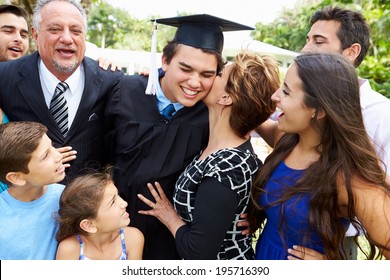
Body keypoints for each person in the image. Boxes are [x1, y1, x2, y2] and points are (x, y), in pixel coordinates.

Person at [106, 14, 253, 259]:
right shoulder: (124, 90)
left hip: (171, 242)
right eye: (185, 69)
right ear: (164, 61)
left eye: (207, 74)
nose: (194, 82)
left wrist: (253, 210)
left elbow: (243, 160)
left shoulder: (211, 115)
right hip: (114, 229)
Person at [137, 51, 280, 260]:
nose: (210, 76)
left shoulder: (229, 167)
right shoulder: (218, 147)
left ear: (226, 97)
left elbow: (199, 252)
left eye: (219, 74)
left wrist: (169, 216)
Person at [248, 53, 390, 260]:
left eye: (286, 92)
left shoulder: (351, 176)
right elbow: (253, 120)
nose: (275, 96)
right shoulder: (286, 141)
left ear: (319, 109)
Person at [0, 0, 123, 184]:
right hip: (28, 203)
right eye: (55, 29)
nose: (67, 38)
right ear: (35, 34)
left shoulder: (112, 81)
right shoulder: (4, 77)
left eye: (76, 31)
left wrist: (159, 74)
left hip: (87, 206)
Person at [0, 121, 66, 259]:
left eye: (52, 146)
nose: (59, 156)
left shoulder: (66, 197)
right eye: (45, 156)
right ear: (16, 177)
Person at [55, 168, 144, 260]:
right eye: (112, 202)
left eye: (118, 195)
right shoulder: (70, 249)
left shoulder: (133, 238)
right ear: (89, 225)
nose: (124, 203)